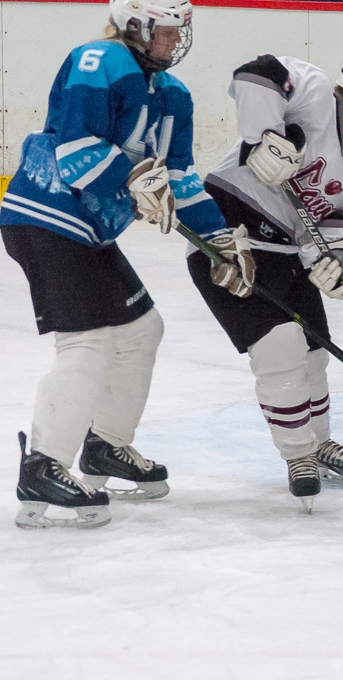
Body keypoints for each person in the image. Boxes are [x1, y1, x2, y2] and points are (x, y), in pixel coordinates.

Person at [0, 0, 227, 528]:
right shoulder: (98, 60)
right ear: (135, 25)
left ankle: (105, 446)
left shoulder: (174, 94)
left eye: (179, 31)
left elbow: (181, 176)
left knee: (142, 329)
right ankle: (43, 464)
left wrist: (221, 239)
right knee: (89, 340)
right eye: (165, 31)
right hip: (45, 213)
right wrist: (130, 180)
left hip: (90, 231)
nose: (175, 42)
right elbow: (76, 148)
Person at [187, 45, 343, 511]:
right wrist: (261, 139)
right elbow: (254, 75)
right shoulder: (310, 92)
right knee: (281, 350)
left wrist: (335, 263)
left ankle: (317, 443)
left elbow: (334, 228)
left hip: (288, 253)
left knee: (313, 353)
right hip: (233, 240)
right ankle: (298, 456)